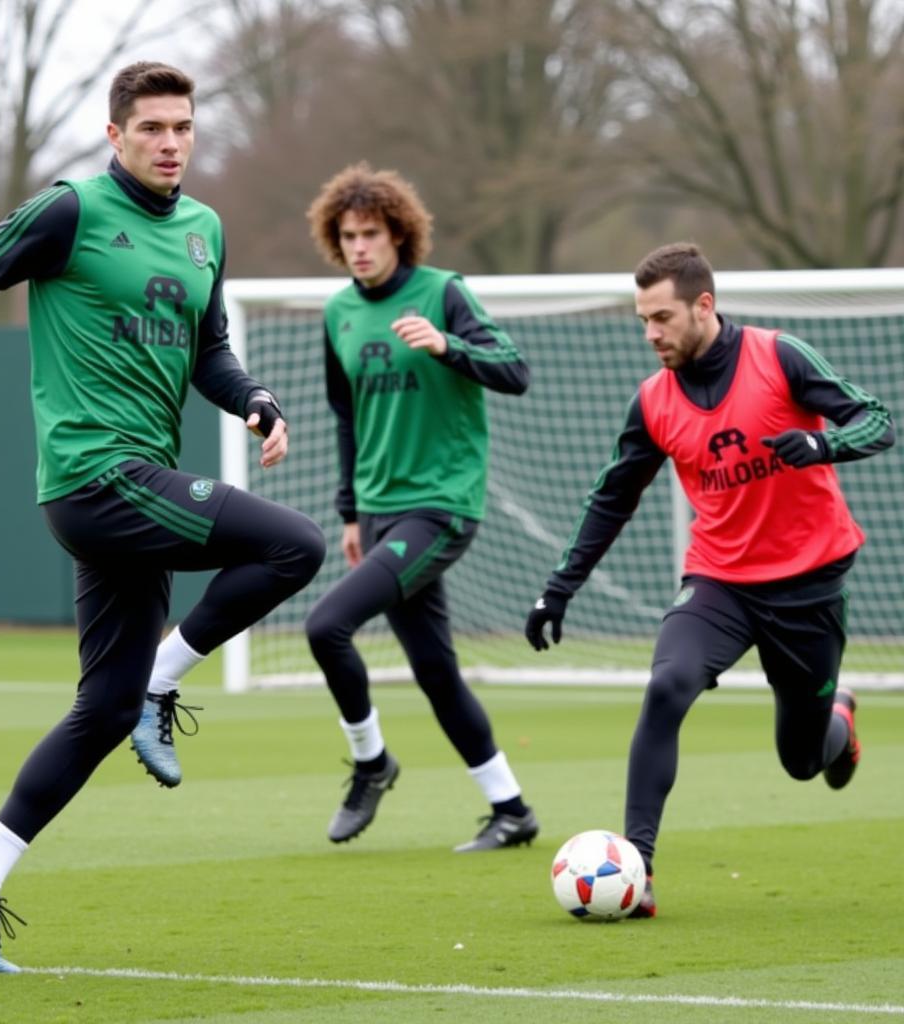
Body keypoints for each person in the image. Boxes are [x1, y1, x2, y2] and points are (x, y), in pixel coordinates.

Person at [0, 62, 326, 972]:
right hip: (97, 478)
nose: (171, 142)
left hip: (137, 485)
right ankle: (169, 681)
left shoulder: (206, 230)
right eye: (153, 128)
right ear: (115, 135)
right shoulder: (72, 211)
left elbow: (208, 350)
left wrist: (252, 398)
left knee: (102, 708)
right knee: (297, 546)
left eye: (183, 127)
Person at [524, 242, 895, 916]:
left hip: (809, 583)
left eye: (662, 317)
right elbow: (612, 498)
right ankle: (638, 870)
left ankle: (838, 716)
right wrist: (560, 586)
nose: (651, 334)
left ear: (704, 306)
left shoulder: (779, 356)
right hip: (719, 582)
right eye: (643, 319)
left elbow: (878, 419)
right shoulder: (653, 400)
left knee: (803, 761)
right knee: (667, 685)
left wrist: (823, 443)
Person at [299, 162, 538, 852]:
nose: (359, 247)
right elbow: (345, 417)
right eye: (347, 236)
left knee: (325, 626)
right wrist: (349, 513)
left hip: (439, 507)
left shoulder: (444, 294)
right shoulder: (338, 312)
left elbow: (515, 371)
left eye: (371, 233)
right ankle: (512, 810)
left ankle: (371, 763)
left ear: (399, 234)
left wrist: (448, 345)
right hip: (377, 511)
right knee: (436, 672)